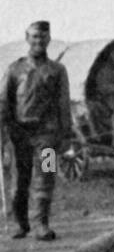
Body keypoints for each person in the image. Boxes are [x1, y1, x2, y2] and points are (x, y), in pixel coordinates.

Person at [0, 21, 72, 240]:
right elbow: (3, 102)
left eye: (43, 37)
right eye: (34, 37)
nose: (38, 41)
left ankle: (41, 224)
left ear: (48, 39)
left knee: (46, 177)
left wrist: (66, 134)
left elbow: (63, 103)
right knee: (19, 182)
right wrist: (3, 134)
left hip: (47, 136)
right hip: (19, 135)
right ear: (27, 38)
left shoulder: (57, 70)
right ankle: (21, 225)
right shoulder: (14, 69)